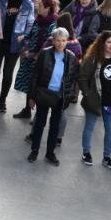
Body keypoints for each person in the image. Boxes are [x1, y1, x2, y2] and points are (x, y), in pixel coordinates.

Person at [26, 28, 78, 166]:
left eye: (63, 40)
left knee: (55, 126)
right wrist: (31, 96)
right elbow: (35, 75)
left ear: (67, 41)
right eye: (58, 40)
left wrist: (69, 96)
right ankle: (34, 150)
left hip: (60, 97)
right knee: (39, 124)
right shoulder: (44, 53)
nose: (61, 43)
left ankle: (50, 153)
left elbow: (72, 79)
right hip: (44, 93)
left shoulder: (71, 57)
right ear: (53, 41)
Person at [78, 31, 111, 169]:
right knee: (89, 127)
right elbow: (82, 77)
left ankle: (107, 157)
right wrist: (87, 94)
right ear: (102, 43)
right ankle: (86, 153)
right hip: (95, 100)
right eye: (109, 42)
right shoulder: (93, 59)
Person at [0, 0, 34, 112]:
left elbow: (30, 23)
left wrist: (24, 36)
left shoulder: (27, 3)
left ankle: (2, 101)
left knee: (7, 74)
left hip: (14, 45)